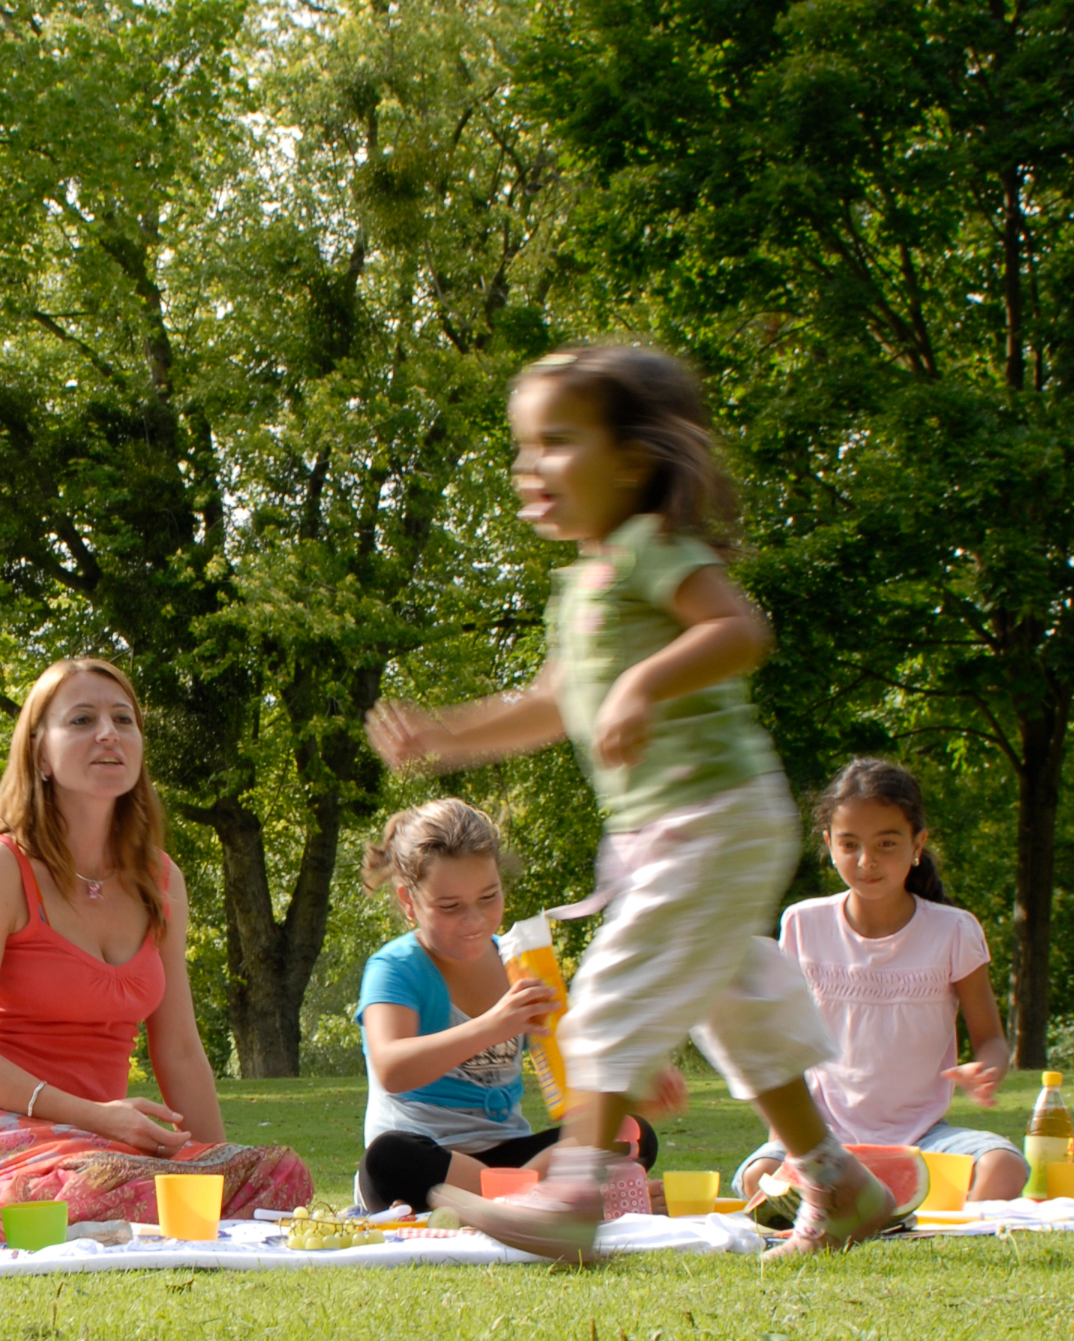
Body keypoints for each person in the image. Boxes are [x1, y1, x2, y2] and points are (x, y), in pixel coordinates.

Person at [367, 342, 894, 1261]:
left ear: (632, 461)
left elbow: (739, 629)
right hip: (676, 835)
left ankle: (573, 1196)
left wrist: (647, 683)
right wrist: (446, 731)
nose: (532, 468)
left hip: (715, 817)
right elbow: (545, 705)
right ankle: (837, 1181)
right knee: (742, 1008)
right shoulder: (581, 589)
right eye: (523, 448)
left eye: (558, 442)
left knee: (603, 992)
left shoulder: (655, 549)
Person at [0, 656, 312, 1225]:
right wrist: (97, 1117)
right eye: (81, 720)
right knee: (102, 1189)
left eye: (124, 720)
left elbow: (178, 1050)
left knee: (280, 1176)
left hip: (106, 1145)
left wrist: (218, 1171)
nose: (108, 733)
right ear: (39, 754)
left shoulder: (160, 879)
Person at [353, 798, 665, 1213]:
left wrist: (634, 1078)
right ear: (409, 902)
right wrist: (494, 1024)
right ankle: (547, 1195)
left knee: (633, 1133)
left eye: (488, 897)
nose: (475, 920)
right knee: (386, 1158)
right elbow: (392, 1068)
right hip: (433, 1162)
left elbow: (574, 1062)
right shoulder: (395, 968)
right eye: (450, 907)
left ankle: (524, 1194)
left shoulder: (517, 962)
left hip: (510, 1157)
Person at [733, 758, 1023, 1203]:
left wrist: (988, 1070)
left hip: (926, 1140)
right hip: (821, 1139)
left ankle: (911, 1220)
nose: (867, 861)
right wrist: (785, 1142)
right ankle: (886, 1207)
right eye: (850, 844)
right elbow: (783, 1046)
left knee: (1004, 1166)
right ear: (829, 844)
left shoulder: (955, 930)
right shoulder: (802, 923)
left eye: (887, 844)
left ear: (917, 844)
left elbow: (992, 1041)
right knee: (758, 1177)